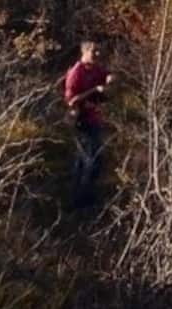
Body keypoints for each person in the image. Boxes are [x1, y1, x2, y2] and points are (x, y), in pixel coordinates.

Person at [63, 41, 113, 206]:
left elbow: (107, 74)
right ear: (84, 53)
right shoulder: (76, 73)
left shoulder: (96, 69)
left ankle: (81, 197)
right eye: (93, 52)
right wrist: (94, 91)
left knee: (88, 159)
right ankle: (80, 199)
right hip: (81, 121)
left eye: (98, 52)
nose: (97, 55)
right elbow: (72, 101)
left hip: (94, 119)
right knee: (90, 160)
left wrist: (110, 78)